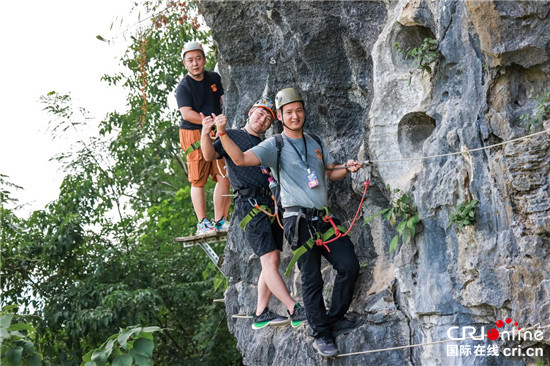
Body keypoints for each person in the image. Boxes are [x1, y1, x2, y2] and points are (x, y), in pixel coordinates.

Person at [216, 88, 364, 357]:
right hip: (298, 219)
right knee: (311, 278)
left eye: (299, 111)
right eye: (288, 112)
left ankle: (332, 319)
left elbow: (331, 172)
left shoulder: (315, 140)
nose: (295, 116)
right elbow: (239, 159)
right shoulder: (274, 145)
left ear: (304, 113)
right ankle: (321, 333)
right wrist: (223, 134)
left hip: (324, 218)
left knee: (349, 265)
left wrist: (348, 167)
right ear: (281, 118)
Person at [201, 97, 307, 329]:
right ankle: (293, 308)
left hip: (269, 203)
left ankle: (260, 313)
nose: (263, 120)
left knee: (273, 259)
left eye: (268, 118)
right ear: (250, 112)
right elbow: (209, 156)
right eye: (260, 114)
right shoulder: (231, 135)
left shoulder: (267, 144)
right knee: (269, 259)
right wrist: (205, 132)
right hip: (250, 203)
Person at [175, 41, 231, 235]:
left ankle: (220, 219)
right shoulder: (184, 87)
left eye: (198, 58)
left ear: (205, 59)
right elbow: (186, 114)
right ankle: (202, 223)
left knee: (224, 174)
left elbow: (223, 100)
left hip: (216, 128)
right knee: (198, 178)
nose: (195, 63)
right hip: (194, 132)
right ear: (185, 64)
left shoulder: (214, 78)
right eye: (190, 60)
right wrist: (208, 123)